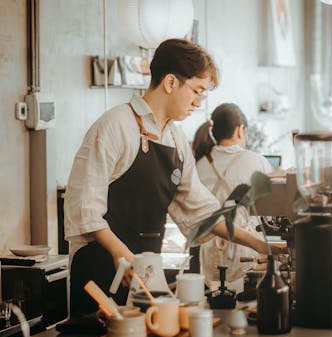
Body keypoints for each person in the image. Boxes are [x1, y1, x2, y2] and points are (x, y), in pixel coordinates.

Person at [64, 39, 277, 316]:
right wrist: (119, 252)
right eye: (197, 91)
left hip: (144, 271)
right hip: (101, 269)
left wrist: (264, 246)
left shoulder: (175, 139)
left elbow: (203, 211)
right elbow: (84, 206)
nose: (199, 103)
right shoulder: (115, 126)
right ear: (170, 83)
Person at [192, 103, 273, 291]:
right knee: (243, 304)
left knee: (214, 300)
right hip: (245, 249)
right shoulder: (257, 161)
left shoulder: (199, 164)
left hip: (208, 252)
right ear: (240, 130)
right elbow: (268, 215)